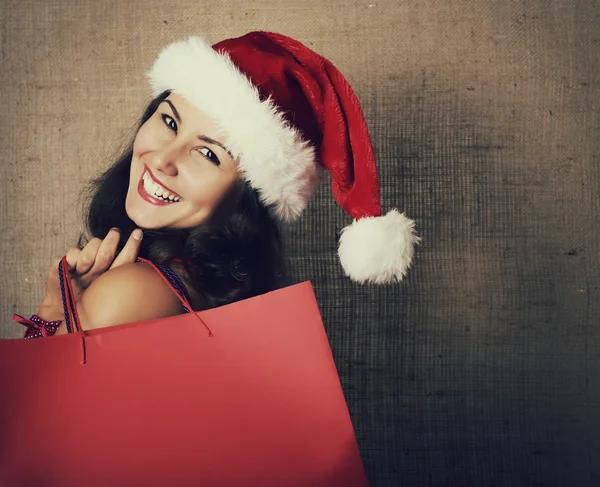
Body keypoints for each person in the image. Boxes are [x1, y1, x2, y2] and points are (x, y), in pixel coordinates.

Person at [14, 31, 421, 339]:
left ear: (246, 199)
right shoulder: (209, 289)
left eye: (208, 154)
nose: (163, 159)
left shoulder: (132, 292)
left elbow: (30, 429)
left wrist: (53, 313)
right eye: (169, 122)